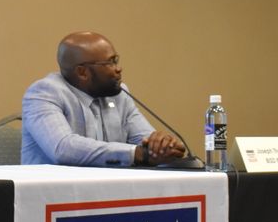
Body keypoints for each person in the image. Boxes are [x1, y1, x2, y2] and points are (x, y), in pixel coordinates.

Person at [21, 31, 188, 167]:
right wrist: (135, 154)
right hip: (52, 198)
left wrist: (164, 146)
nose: (119, 69)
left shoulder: (120, 94)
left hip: (106, 193)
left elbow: (145, 141)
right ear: (82, 72)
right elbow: (63, 148)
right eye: (110, 62)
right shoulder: (44, 93)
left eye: (116, 60)